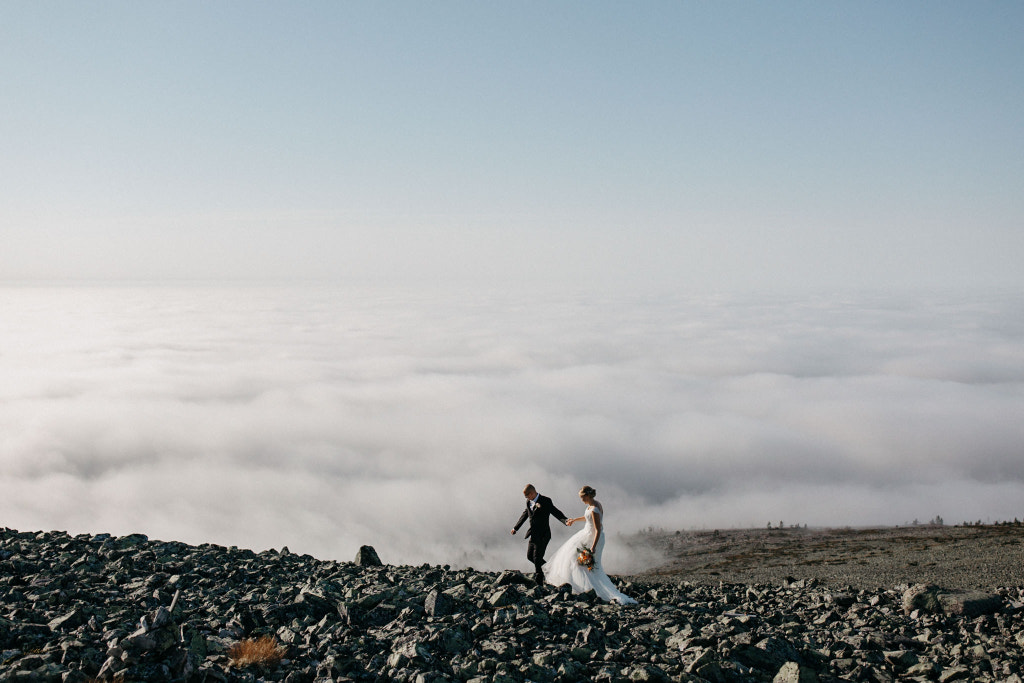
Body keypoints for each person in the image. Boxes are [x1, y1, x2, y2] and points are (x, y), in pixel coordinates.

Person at [544, 485, 637, 604]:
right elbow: (588, 518)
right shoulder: (593, 506)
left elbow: (598, 529)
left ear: (587, 496)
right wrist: (574, 520)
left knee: (588, 565)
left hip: (592, 539)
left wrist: (593, 546)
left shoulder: (595, 509)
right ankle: (584, 588)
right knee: (579, 561)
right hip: (586, 535)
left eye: (582, 498)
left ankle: (589, 589)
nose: (581, 500)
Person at [510, 484, 569, 585]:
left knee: (537, 558)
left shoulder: (545, 500)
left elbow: (555, 511)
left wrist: (565, 520)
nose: (526, 498)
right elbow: (525, 514)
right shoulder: (528, 502)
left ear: (532, 493)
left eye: (527, 496)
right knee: (530, 556)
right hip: (533, 534)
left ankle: (539, 583)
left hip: (543, 534)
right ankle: (551, 569)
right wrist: (516, 528)